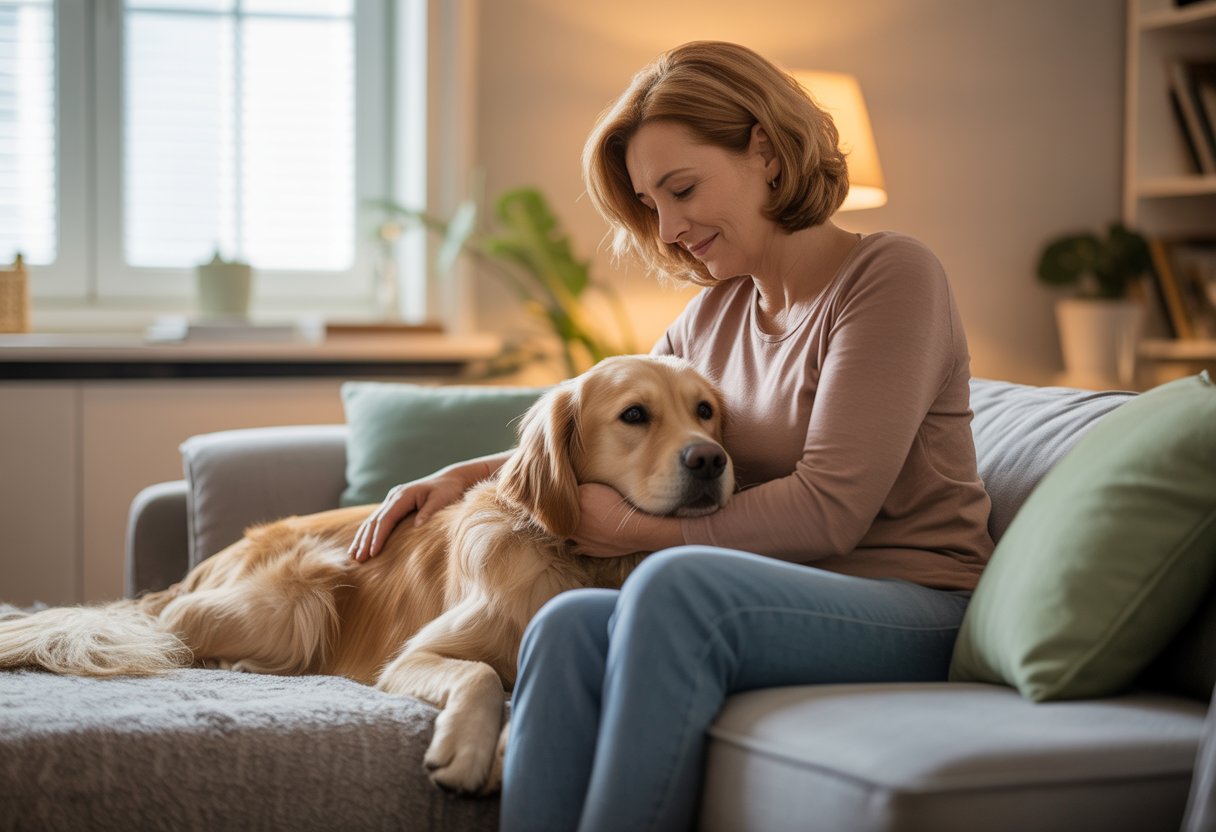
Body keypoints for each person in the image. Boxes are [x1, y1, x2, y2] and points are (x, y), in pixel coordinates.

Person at [349, 40, 994, 832]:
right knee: (564, 621)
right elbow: (601, 424)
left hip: (912, 603)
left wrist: (628, 527)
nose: (671, 227)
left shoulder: (892, 277)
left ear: (765, 151)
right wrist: (461, 475)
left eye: (682, 189)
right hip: (774, 597)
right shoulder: (714, 313)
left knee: (672, 584)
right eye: (653, 203)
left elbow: (832, 511)